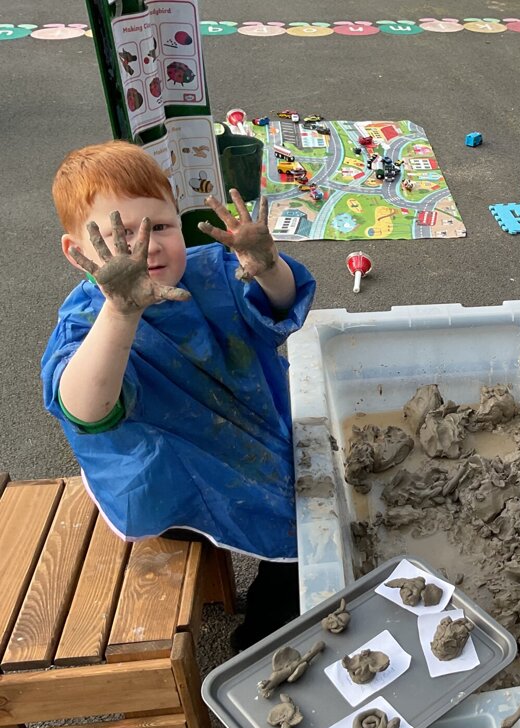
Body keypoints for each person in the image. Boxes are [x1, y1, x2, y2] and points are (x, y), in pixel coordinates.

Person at [41, 140, 316, 650]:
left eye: (160, 227)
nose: (146, 246)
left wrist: (267, 265)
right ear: (76, 250)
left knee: (317, 486)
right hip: (168, 473)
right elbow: (87, 410)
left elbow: (281, 306)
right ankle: (265, 639)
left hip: (241, 427)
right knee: (305, 527)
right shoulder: (86, 322)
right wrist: (121, 312)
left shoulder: (212, 269)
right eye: (121, 237)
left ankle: (280, 606)